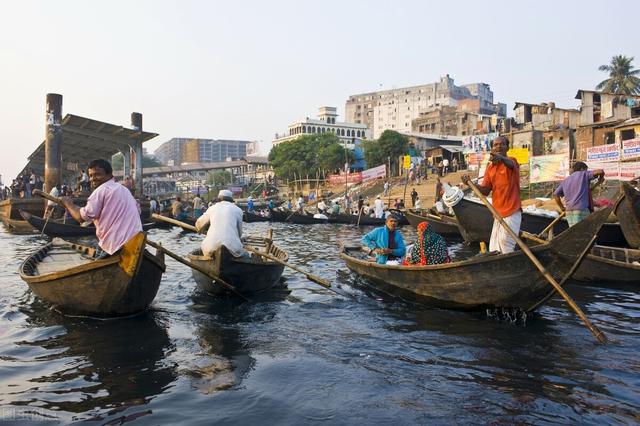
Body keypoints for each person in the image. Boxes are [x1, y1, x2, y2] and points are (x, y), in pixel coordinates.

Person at [60, 159, 142, 258]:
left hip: (115, 247)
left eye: (97, 174)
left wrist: (68, 203)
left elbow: (81, 218)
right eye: (90, 175)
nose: (93, 179)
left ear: (109, 175)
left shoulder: (101, 190)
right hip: (136, 244)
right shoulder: (125, 190)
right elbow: (138, 210)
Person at [462, 136, 521, 254]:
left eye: (502, 144)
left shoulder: (512, 161)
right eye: (495, 145)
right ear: (492, 149)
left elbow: (509, 163)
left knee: (506, 243)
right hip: (497, 213)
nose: (499, 146)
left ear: (507, 147)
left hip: (512, 211)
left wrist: (500, 157)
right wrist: (470, 184)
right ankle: (499, 268)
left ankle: (507, 267)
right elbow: (485, 190)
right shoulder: (490, 168)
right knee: (493, 247)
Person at [196, 189, 245, 258]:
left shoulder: (211, 208)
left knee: (206, 247)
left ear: (218, 199)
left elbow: (198, 224)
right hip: (233, 247)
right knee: (245, 254)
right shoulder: (238, 210)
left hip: (210, 247)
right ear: (231, 200)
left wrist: (201, 230)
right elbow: (240, 233)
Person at [553, 162, 605, 227]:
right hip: (581, 210)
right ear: (582, 169)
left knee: (574, 232)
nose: (586, 171)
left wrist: (562, 207)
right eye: (586, 169)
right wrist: (601, 177)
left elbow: (555, 194)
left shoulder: (566, 180)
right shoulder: (583, 174)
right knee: (583, 232)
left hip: (569, 211)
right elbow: (600, 171)